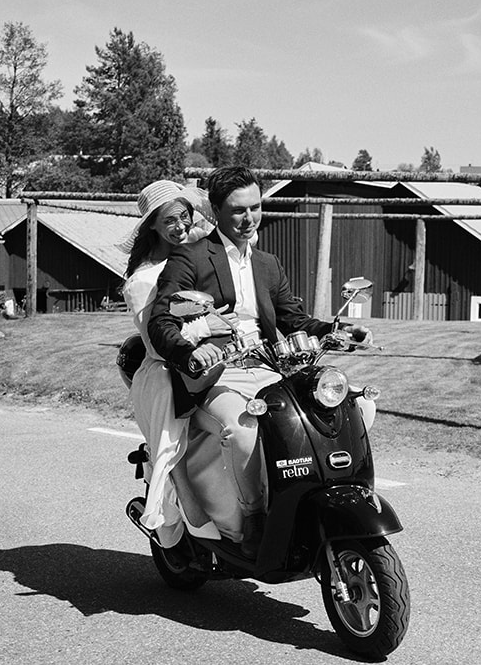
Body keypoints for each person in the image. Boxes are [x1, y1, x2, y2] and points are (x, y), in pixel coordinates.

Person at [147, 166, 370, 549]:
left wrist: (334, 331)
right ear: (215, 210)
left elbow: (292, 317)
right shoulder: (191, 257)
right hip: (217, 375)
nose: (249, 218)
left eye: (255, 207)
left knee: (347, 409)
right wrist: (192, 351)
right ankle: (252, 519)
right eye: (237, 210)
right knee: (245, 431)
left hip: (269, 367)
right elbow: (161, 320)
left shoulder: (267, 263)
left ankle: (322, 501)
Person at [119, 179, 217, 549]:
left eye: (186, 217)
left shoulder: (194, 258)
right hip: (165, 370)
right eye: (171, 220)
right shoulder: (144, 279)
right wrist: (211, 324)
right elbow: (156, 340)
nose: (181, 227)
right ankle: (181, 516)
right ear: (153, 226)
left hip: (212, 360)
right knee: (172, 448)